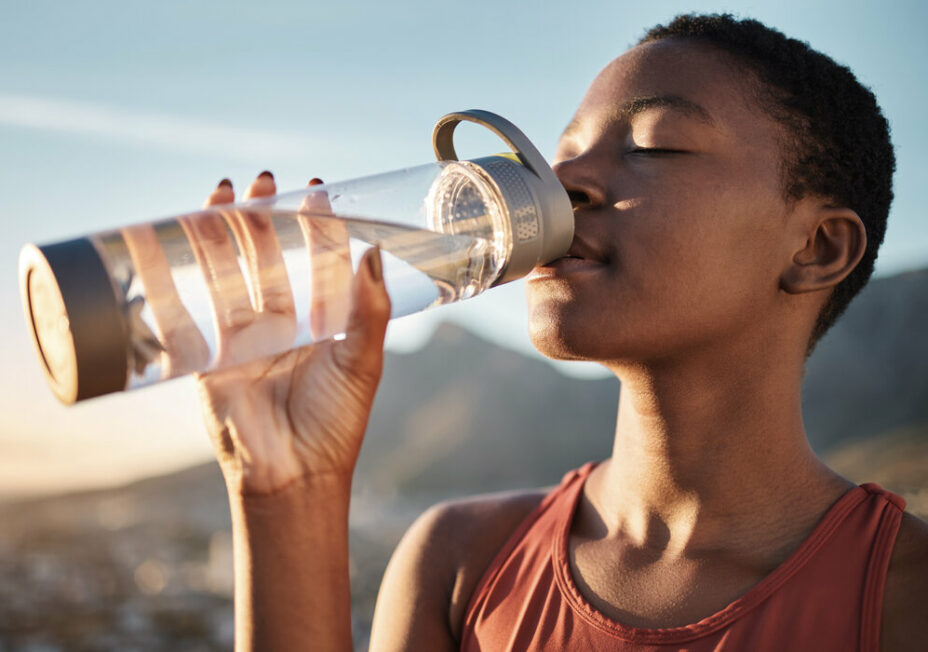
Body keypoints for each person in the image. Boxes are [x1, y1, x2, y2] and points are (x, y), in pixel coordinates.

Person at [191, 14, 928, 651]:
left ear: (818, 248)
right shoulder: (461, 563)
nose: (562, 182)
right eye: (560, 152)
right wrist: (283, 487)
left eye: (654, 144)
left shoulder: (906, 599)